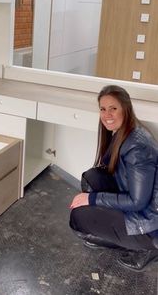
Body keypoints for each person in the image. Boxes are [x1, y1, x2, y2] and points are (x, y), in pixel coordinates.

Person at [69, 84, 158, 271]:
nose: (107, 115)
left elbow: (138, 202)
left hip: (149, 224)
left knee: (78, 217)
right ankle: (115, 233)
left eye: (113, 108)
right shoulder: (124, 132)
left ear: (125, 109)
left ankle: (147, 248)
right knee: (91, 178)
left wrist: (92, 199)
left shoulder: (138, 147)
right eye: (103, 109)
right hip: (138, 204)